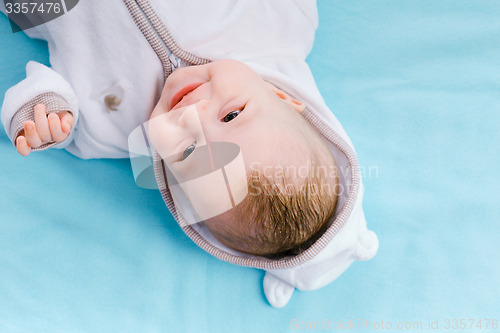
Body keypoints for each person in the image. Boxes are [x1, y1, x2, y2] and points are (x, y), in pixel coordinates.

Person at [0, 0, 378, 307]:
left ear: (172, 181)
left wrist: (45, 115)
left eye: (189, 151)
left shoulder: (112, 131)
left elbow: (59, 111)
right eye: (232, 115)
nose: (193, 111)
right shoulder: (281, 26)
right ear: (283, 96)